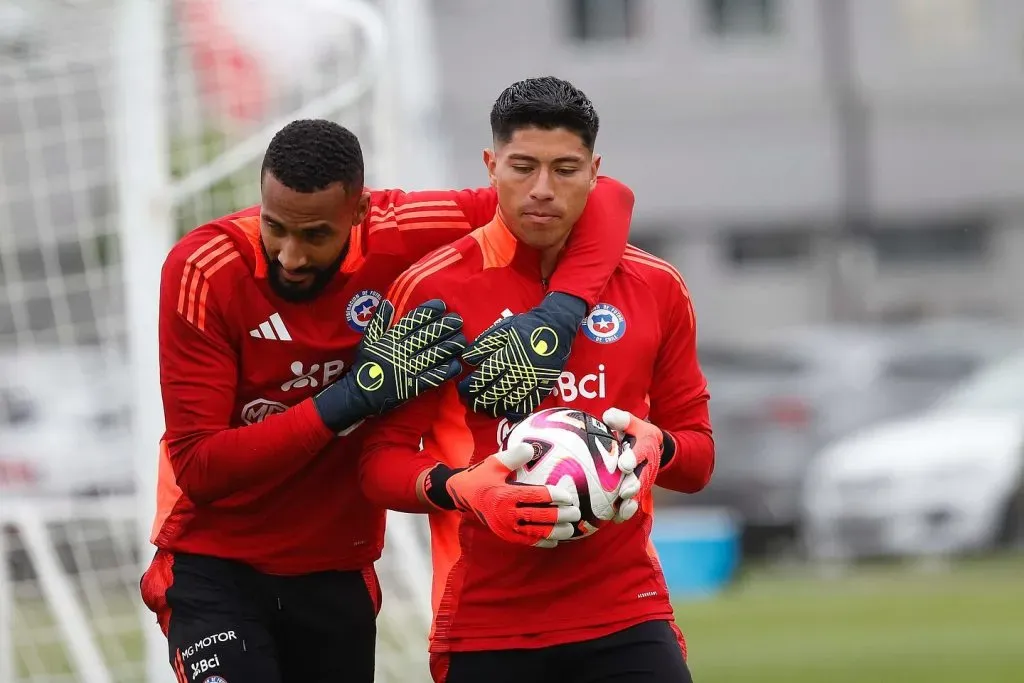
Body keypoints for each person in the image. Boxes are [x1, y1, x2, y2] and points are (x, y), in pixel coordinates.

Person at [139, 118, 635, 683]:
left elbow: (606, 197)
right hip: (213, 565)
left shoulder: (399, 230)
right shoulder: (205, 268)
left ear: (358, 212)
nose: (291, 256)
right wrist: (350, 398)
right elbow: (201, 468)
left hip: (337, 566)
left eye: (315, 236)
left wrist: (559, 315)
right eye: (275, 227)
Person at [359, 77, 715, 683]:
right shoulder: (432, 289)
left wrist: (661, 448)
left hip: (626, 613)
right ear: (490, 165)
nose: (543, 189)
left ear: (596, 171)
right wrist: (464, 488)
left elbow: (699, 458)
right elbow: (377, 466)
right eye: (522, 167)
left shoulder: (657, 287)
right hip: (486, 621)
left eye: (566, 169)